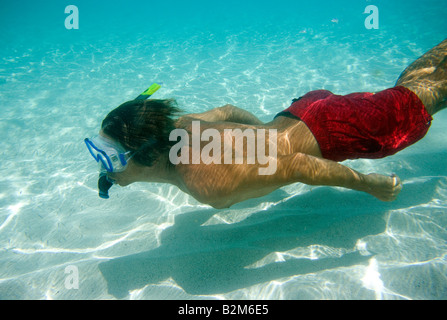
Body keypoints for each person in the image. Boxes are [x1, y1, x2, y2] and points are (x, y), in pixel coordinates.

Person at [85, 39, 447, 208]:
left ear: (147, 154)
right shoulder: (182, 127)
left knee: (431, 93)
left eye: (107, 157)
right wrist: (265, 138)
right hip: (303, 111)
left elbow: (299, 164)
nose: (103, 167)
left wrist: (370, 185)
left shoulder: (206, 184)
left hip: (338, 132)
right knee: (416, 89)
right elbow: (228, 111)